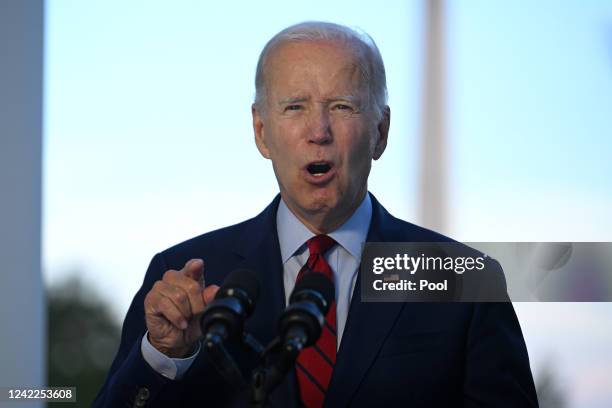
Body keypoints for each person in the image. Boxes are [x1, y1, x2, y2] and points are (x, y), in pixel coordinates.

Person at [94, 21, 538, 407]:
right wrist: (165, 354)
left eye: (342, 107)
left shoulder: (463, 281)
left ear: (380, 132)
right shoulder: (185, 279)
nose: (318, 131)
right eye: (295, 107)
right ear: (261, 132)